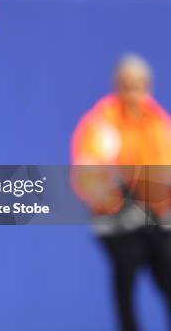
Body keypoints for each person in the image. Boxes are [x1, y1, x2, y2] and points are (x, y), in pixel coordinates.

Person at [72, 55, 171, 331]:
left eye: (139, 86)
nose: (133, 94)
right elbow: (88, 174)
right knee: (126, 272)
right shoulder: (102, 123)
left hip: (155, 217)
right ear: (117, 86)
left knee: (167, 272)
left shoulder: (158, 123)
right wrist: (117, 197)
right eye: (127, 86)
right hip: (117, 220)